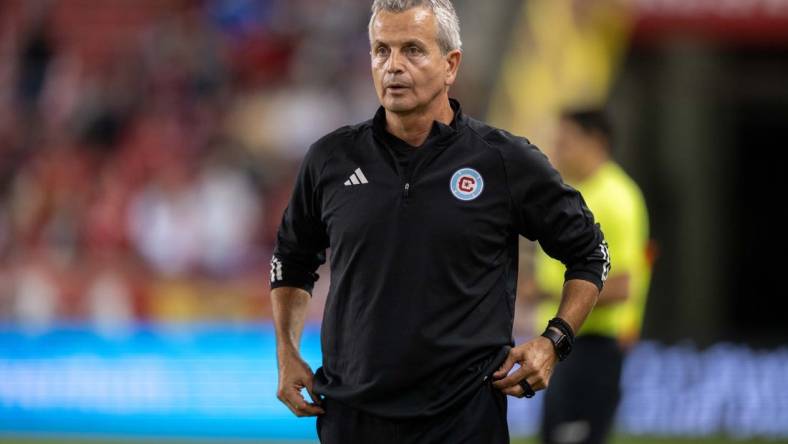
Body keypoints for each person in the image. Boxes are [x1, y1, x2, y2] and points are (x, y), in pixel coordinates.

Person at [270, 1, 610, 442]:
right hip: (352, 418)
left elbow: (590, 253)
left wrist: (554, 341)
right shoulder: (330, 160)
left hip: (464, 421)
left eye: (412, 50)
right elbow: (291, 260)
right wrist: (287, 351)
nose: (393, 66)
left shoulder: (504, 161)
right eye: (381, 51)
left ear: (451, 65)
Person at [533, 109, 650, 444]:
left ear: (596, 142)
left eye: (566, 142)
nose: (557, 150)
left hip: (594, 345)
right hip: (565, 341)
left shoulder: (618, 197)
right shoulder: (571, 193)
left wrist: (546, 293)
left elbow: (623, 286)